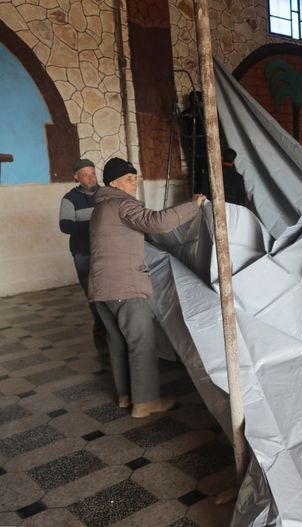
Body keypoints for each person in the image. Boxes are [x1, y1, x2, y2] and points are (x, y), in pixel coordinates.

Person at [89, 157, 206, 418]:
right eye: (129, 178)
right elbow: (156, 222)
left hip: (102, 289)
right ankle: (145, 402)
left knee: (118, 343)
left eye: (135, 177)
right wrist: (192, 206)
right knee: (142, 342)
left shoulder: (101, 207)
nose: (134, 182)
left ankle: (126, 396)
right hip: (125, 288)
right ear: (114, 183)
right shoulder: (121, 203)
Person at [59, 158, 104, 336]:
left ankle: (111, 323)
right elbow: (65, 226)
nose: (91, 178)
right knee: (91, 289)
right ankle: (100, 323)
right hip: (82, 251)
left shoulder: (106, 194)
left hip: (105, 249)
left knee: (107, 286)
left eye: (92, 174)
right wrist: (95, 224)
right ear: (76, 177)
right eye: (85, 175)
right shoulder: (70, 199)